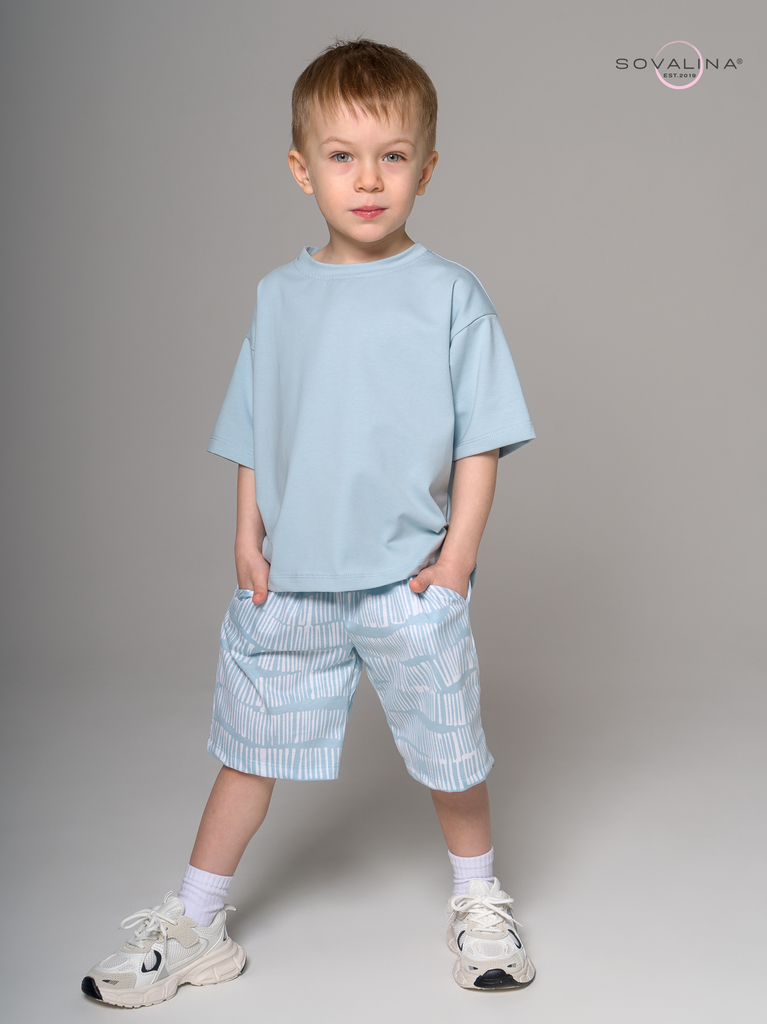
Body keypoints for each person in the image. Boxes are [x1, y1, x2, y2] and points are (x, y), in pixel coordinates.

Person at [81, 37, 536, 1006]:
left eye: (391, 156)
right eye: (341, 156)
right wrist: (245, 537)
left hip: (407, 581)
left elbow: (481, 439)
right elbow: (257, 428)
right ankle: (195, 922)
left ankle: (477, 898)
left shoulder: (450, 295)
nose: (367, 179)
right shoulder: (278, 296)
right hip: (290, 584)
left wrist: (456, 559)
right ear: (301, 169)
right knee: (246, 752)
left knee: (450, 752)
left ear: (425, 168)